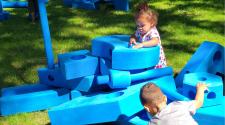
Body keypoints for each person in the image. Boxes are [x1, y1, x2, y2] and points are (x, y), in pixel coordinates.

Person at [140, 82, 208, 125]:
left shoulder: (152, 123)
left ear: (147, 108)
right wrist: (200, 89)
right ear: (165, 98)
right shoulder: (179, 105)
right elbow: (199, 102)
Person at [129, 3, 166, 68]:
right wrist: (133, 38)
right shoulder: (140, 30)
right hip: (147, 56)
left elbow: (155, 41)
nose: (140, 28)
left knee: (153, 73)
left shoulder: (152, 32)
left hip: (156, 60)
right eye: (138, 25)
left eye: (142, 25)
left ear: (151, 23)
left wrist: (142, 44)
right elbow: (134, 34)